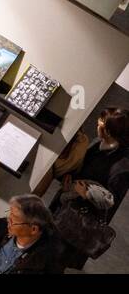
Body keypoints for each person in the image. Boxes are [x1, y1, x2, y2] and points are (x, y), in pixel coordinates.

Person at [50, 107, 128, 269]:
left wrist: (87, 193)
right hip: (63, 208)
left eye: (101, 122)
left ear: (109, 131)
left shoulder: (121, 167)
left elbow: (110, 202)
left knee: (54, 262)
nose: (97, 122)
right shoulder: (98, 143)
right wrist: (70, 178)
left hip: (76, 223)